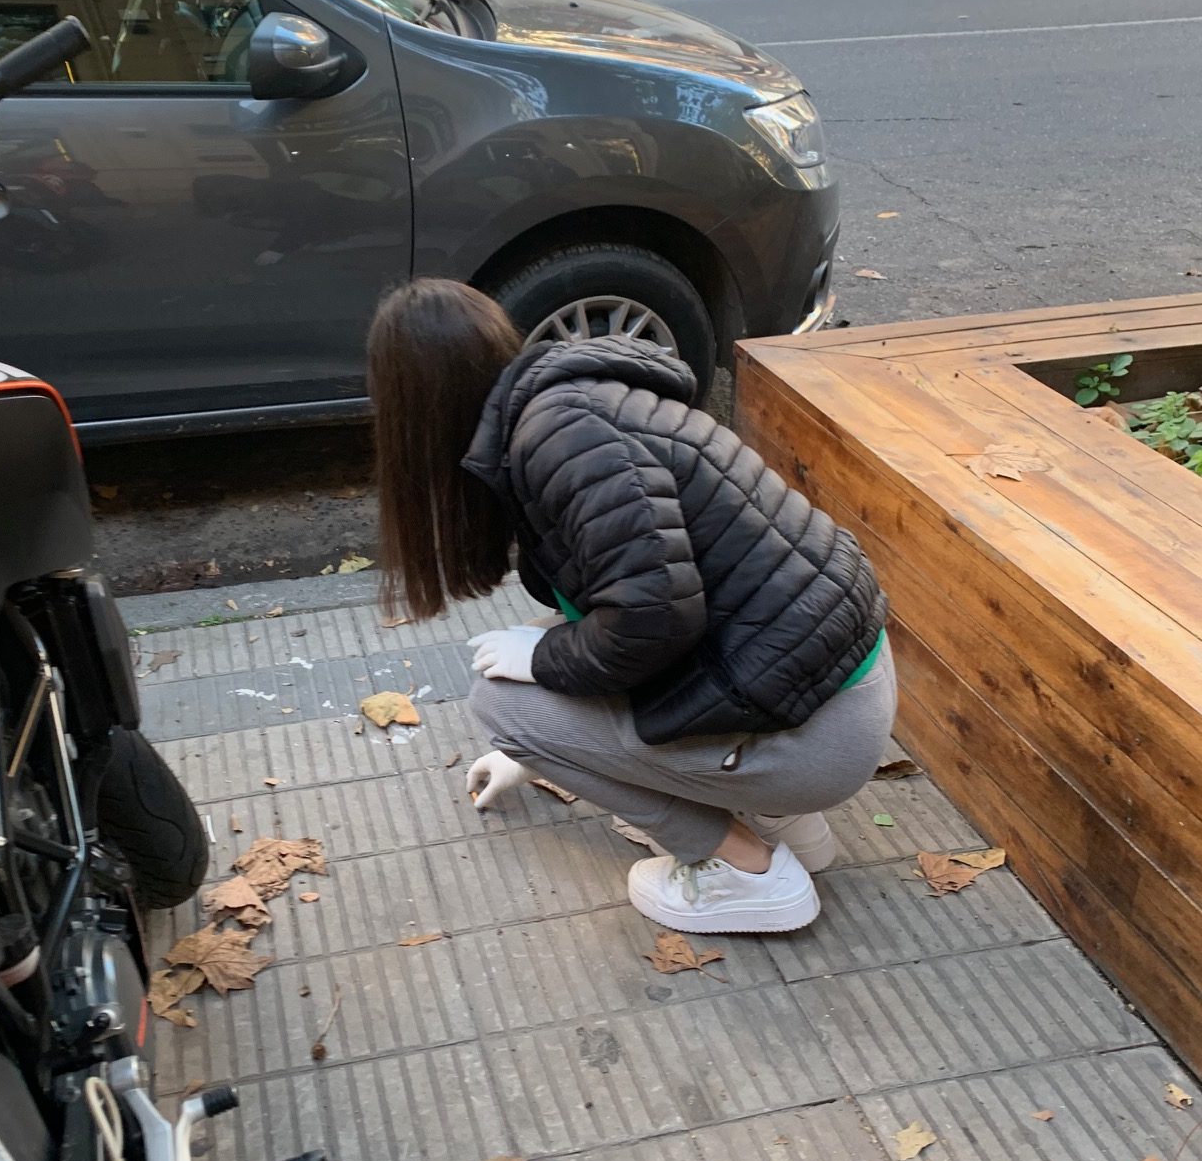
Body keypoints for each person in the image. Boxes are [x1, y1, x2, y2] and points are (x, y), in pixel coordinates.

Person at [367, 280, 897, 936]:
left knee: (501, 698)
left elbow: (651, 620)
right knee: (537, 653)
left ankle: (747, 870)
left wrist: (531, 719)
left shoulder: (560, 442)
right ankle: (785, 821)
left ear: (411, 405)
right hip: (824, 685)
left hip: (818, 731)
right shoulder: (568, 408)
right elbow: (653, 590)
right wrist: (536, 748)